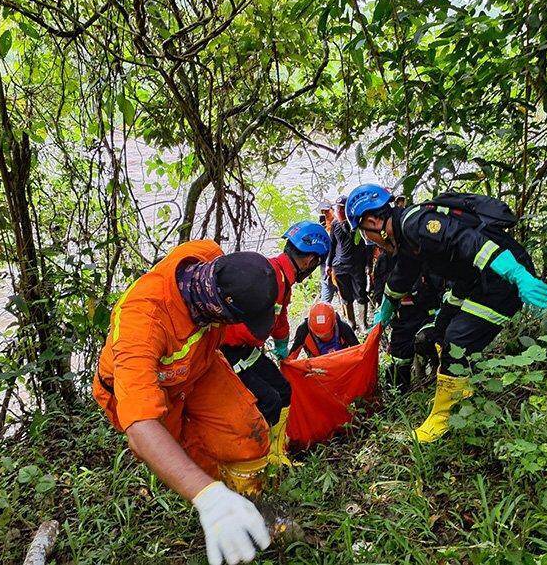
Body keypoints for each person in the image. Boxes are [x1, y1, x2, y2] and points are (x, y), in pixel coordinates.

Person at [93, 240, 278, 565]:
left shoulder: (208, 259)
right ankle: (222, 514)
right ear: (220, 307)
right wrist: (206, 496)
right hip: (156, 390)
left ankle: (253, 506)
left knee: (248, 434)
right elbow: (140, 426)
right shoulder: (142, 322)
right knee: (195, 461)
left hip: (199, 368)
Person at [345, 184, 547, 443]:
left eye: (366, 234)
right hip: (475, 281)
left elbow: (473, 243)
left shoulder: (418, 224)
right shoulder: (407, 236)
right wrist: (385, 312)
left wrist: (519, 276)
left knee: (457, 337)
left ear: (373, 221)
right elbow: (401, 277)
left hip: (501, 274)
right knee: (438, 329)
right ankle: (461, 389)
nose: (370, 241)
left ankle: (442, 418)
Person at [221, 221, 331, 466]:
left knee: (283, 389)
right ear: (310, 260)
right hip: (225, 350)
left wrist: (282, 348)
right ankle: (257, 460)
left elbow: (279, 320)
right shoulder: (268, 276)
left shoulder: (282, 279)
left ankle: (277, 453)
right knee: (267, 400)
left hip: (245, 348)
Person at [327, 195, 369, 331]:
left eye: (341, 209)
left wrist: (369, 264)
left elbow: (365, 244)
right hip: (339, 265)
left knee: (361, 293)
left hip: (357, 265)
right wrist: (328, 264)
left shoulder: (357, 223)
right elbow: (332, 245)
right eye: (337, 208)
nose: (338, 211)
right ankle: (351, 322)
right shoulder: (334, 224)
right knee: (345, 295)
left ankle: (363, 323)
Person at [289, 302, 360, 358]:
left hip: (342, 361)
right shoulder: (303, 330)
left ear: (333, 323)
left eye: (326, 334)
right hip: (318, 367)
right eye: (318, 335)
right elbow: (292, 356)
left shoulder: (342, 327)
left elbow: (358, 350)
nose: (322, 336)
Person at [317, 200, 336, 303]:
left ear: (332, 210)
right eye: (323, 212)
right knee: (326, 295)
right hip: (325, 266)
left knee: (344, 297)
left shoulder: (338, 225)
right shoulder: (320, 229)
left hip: (337, 265)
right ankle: (323, 315)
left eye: (327, 211)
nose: (326, 215)